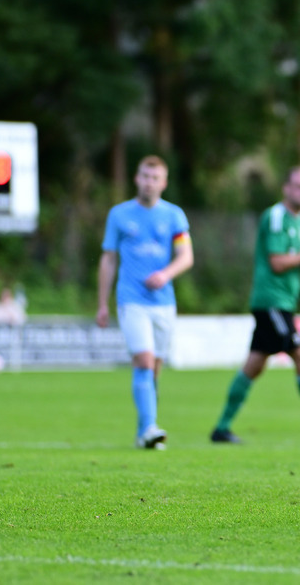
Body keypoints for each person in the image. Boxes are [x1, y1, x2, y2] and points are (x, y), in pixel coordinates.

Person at [210, 166, 300, 444]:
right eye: (299, 187)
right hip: (271, 302)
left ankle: (221, 428)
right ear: (286, 188)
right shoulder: (276, 217)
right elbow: (277, 263)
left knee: (254, 366)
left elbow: (294, 264)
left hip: (284, 303)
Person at [96, 155, 193, 450]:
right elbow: (109, 259)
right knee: (144, 361)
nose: (148, 183)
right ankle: (150, 426)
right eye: (144, 176)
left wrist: (165, 275)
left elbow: (185, 257)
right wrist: (102, 302)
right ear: (136, 178)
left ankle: (144, 432)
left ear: (163, 183)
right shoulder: (119, 215)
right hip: (131, 300)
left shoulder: (174, 216)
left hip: (163, 302)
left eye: (154, 178)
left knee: (155, 369)